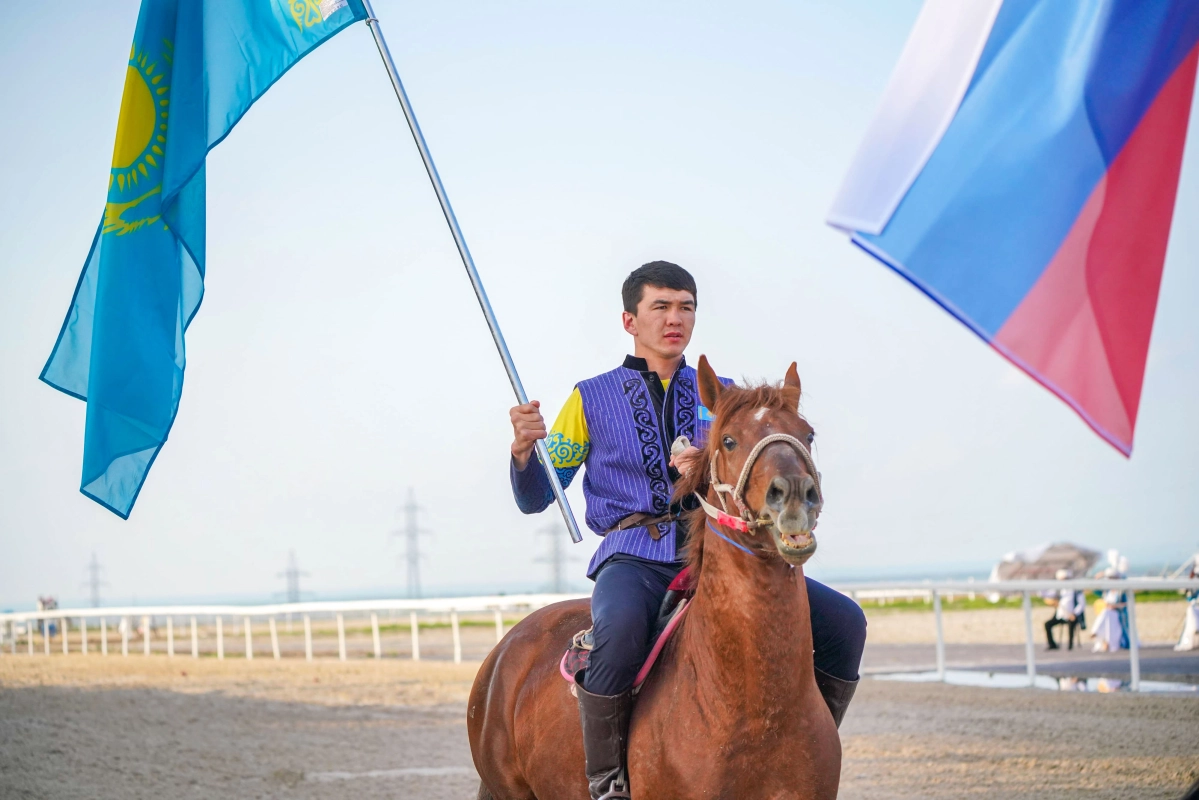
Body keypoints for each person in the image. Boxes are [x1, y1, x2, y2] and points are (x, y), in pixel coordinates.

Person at [509, 261, 867, 800]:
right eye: (661, 306)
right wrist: (522, 452)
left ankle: (802, 750)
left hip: (727, 553)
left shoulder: (729, 401)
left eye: (686, 307)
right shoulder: (590, 399)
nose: (676, 318)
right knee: (621, 633)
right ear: (630, 320)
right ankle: (608, 781)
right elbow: (540, 497)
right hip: (635, 553)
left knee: (845, 625)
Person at [1043, 569, 1085, 650]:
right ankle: (1052, 645)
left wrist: (1074, 614)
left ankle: (1070, 645)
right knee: (1047, 624)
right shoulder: (1058, 590)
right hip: (1060, 615)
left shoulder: (1076, 590)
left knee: (1071, 623)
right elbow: (1047, 594)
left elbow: (1081, 604)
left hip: (1072, 615)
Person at [1090, 567, 1128, 653]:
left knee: (1107, 613)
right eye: (1110, 578)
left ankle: (1095, 631)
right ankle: (1104, 640)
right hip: (1108, 614)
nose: (1111, 580)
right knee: (1106, 614)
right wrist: (1097, 577)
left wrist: (1114, 606)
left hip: (1117, 613)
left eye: (1113, 578)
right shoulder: (1106, 590)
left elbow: (1126, 604)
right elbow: (1094, 589)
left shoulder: (1121, 591)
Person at [1174, 553, 1198, 652]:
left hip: (1194, 606)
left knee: (1190, 627)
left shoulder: (1193, 577)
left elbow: (1189, 593)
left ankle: (1187, 642)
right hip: (1194, 605)